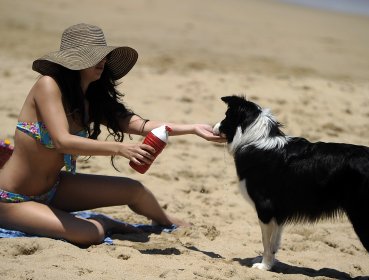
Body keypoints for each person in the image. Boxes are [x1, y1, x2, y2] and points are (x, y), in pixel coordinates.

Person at [0, 23, 224, 246]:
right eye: (94, 56)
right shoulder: (48, 85)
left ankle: (166, 222)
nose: (103, 60)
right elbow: (61, 141)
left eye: (103, 55)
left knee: (135, 190)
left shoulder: (92, 98)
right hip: (13, 199)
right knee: (91, 233)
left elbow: (141, 125)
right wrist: (120, 148)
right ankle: (104, 223)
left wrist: (193, 128)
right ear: (74, 60)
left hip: (55, 189)